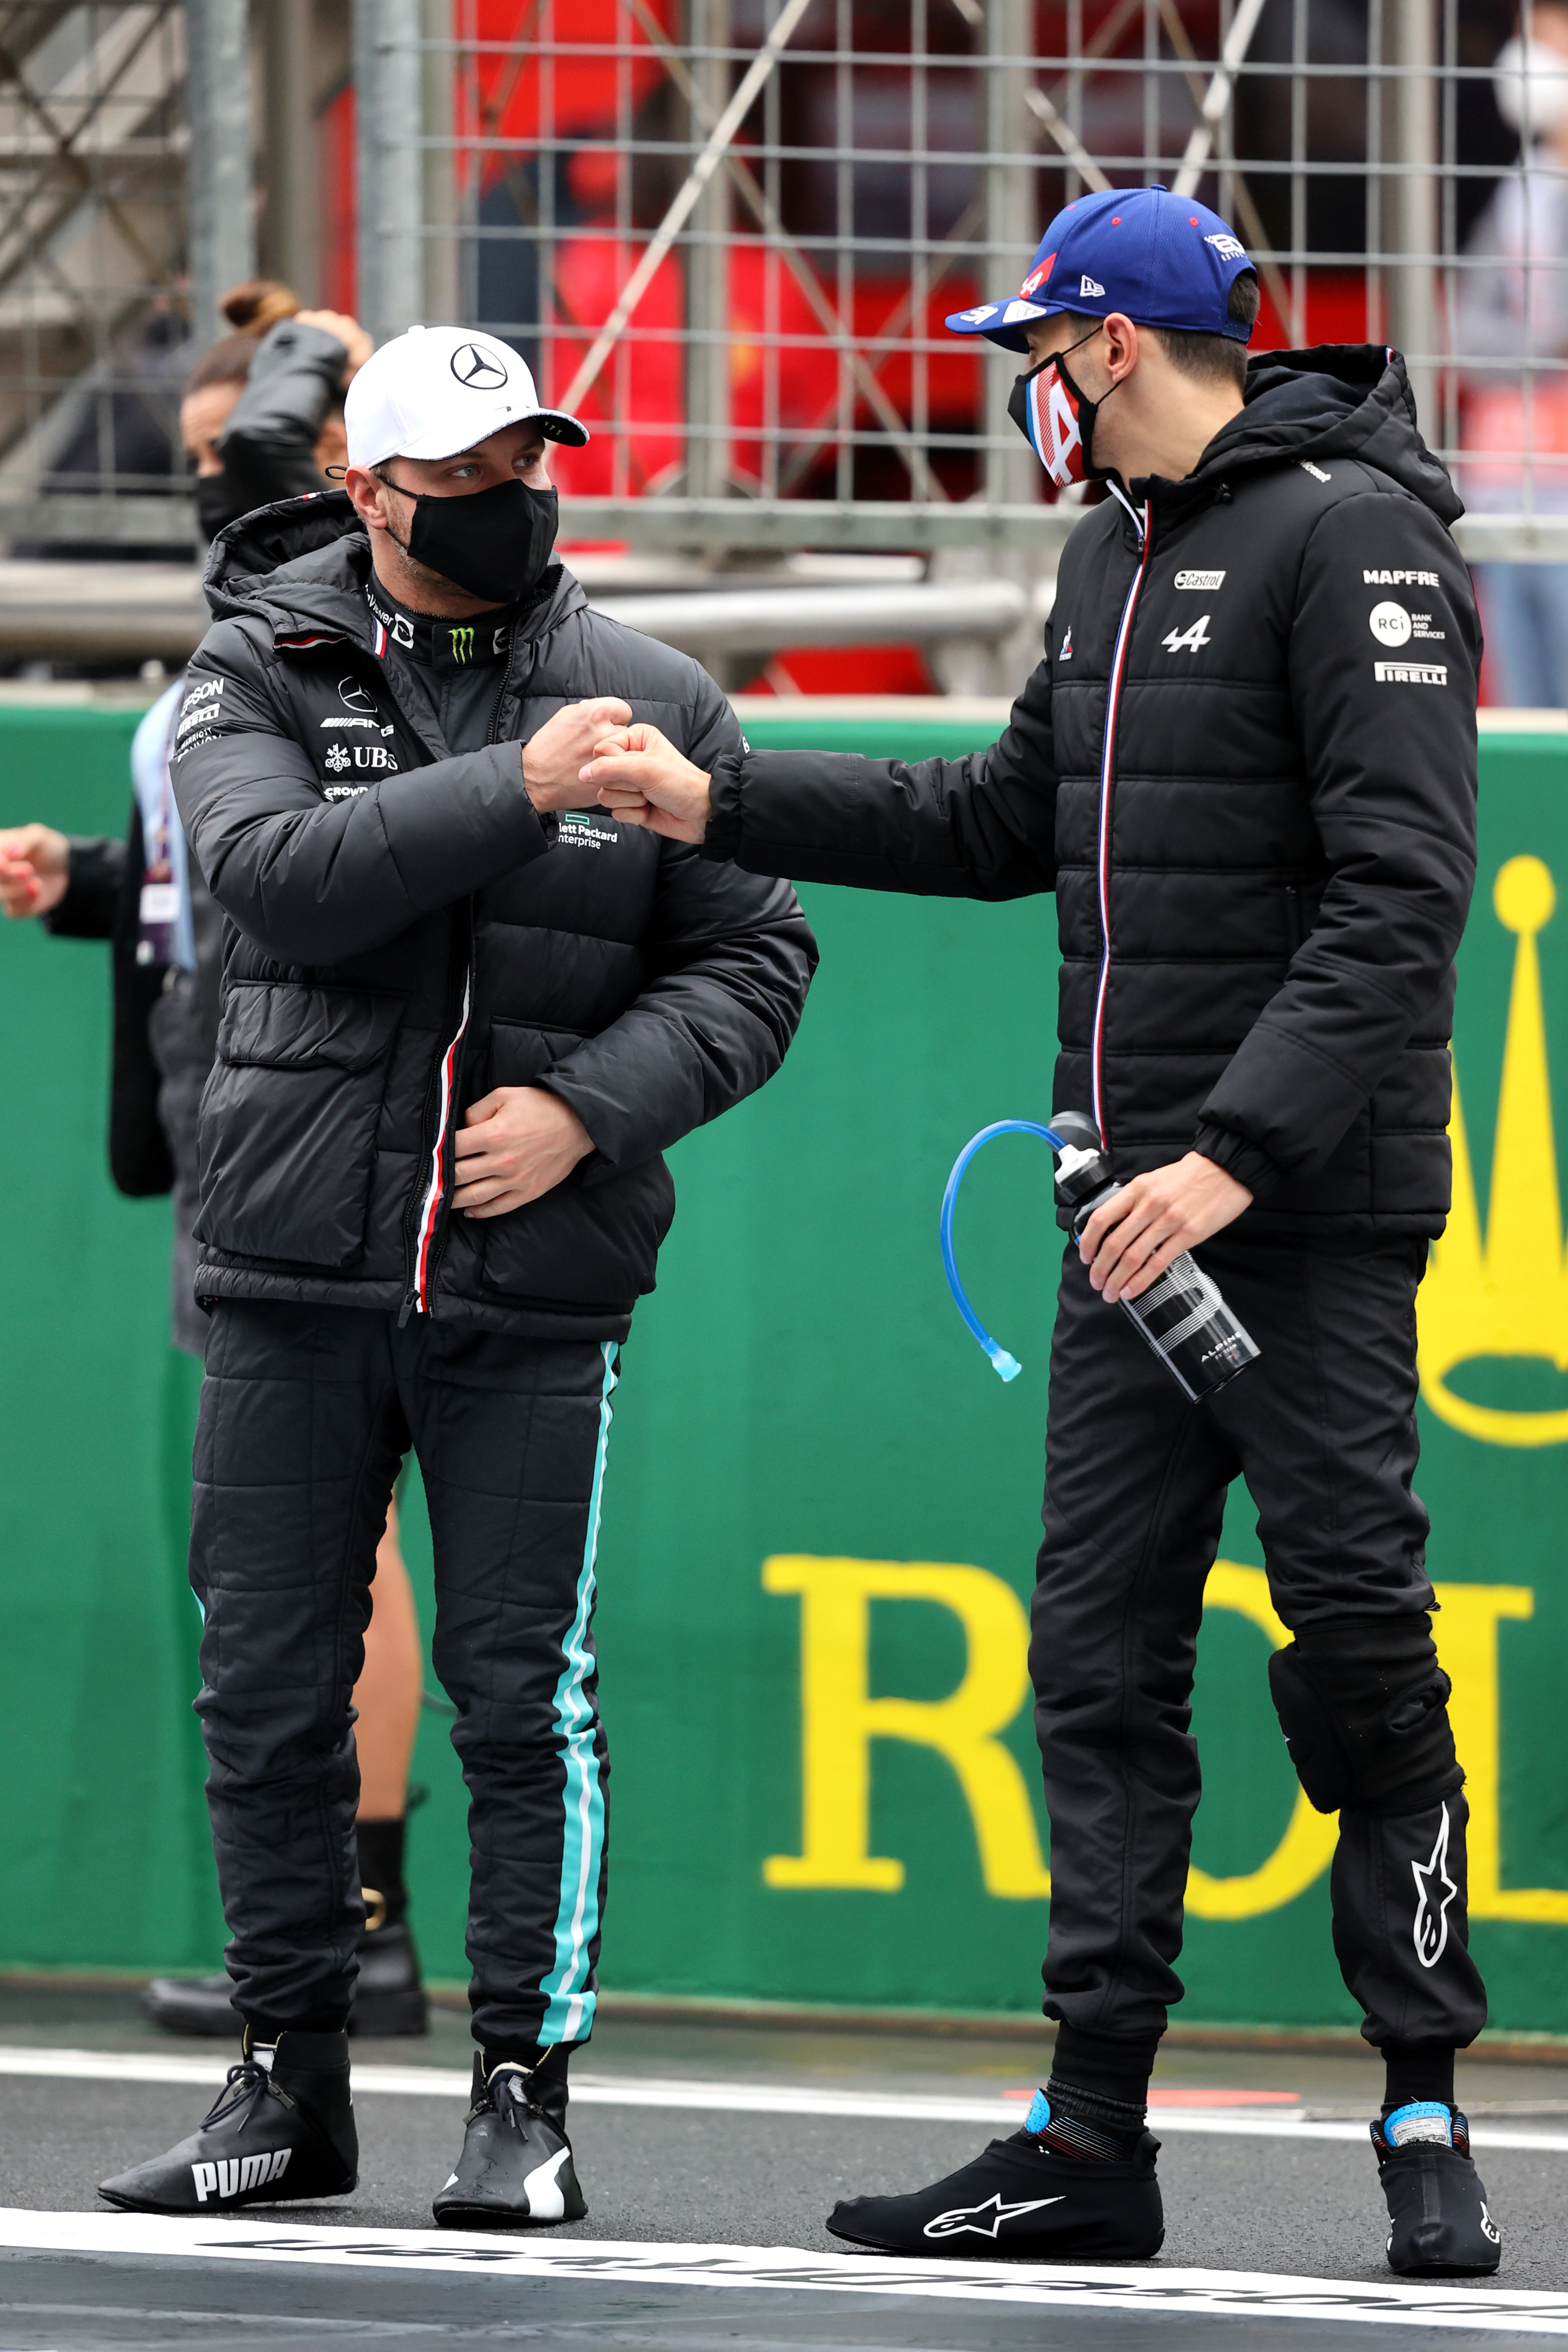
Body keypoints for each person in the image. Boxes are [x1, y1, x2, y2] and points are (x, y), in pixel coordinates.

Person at [585, 185, 1501, 2279]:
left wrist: (1231, 1157)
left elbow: (1401, 903)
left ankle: (1424, 2103)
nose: (1018, 388)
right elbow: (1000, 816)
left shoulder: (1357, 536)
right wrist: (720, 796)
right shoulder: (1110, 551)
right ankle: (1088, 2133)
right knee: (1093, 1660)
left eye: (1031, 351)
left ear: (1108, 346)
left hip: (1299, 1214)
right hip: (1123, 1224)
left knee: (1356, 1642)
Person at [95, 324, 815, 2228]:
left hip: (533, 1279)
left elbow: (757, 960)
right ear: (368, 493)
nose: (509, 500)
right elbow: (274, 877)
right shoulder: (253, 662)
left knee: (522, 1698)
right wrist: (516, 784)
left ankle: (522, 2098)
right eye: (466, 475)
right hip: (285, 1266)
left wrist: (587, 1110)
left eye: (527, 465)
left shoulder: (654, 693)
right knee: (264, 1690)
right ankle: (286, 2080)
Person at [0, 283, 430, 2038]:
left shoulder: (354, 611)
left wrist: (321, 354)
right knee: (290, 1527)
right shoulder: (258, 617)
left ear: (332, 461)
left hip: (302, 1093)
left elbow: (346, 862)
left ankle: (364, 1924)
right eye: (191, 465)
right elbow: (228, 872)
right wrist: (91, 885)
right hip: (218, 1087)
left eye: (227, 461)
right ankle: (331, 1929)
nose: (209, 492)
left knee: (336, 1523)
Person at [1458, 6, 1568, 707]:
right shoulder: (1524, 186)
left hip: (1559, 494)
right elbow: (1465, 331)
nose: (1528, 56)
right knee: (1525, 715)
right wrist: (1546, 348)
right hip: (1505, 485)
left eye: (1549, 37)